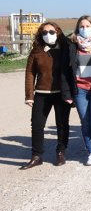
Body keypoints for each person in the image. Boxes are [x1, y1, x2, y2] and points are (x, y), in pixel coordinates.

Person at [20, 22, 71, 169]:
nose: (48, 34)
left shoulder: (66, 48)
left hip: (62, 93)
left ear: (58, 32)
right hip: (42, 94)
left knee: (62, 124)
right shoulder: (37, 50)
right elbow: (30, 73)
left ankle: (61, 152)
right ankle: (36, 156)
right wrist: (29, 95)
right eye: (44, 32)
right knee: (36, 125)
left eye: (51, 31)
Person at [61, 15, 91, 166]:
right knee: (85, 121)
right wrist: (67, 93)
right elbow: (64, 71)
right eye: (82, 26)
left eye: (88, 26)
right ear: (77, 28)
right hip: (79, 89)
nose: (84, 29)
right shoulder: (71, 44)